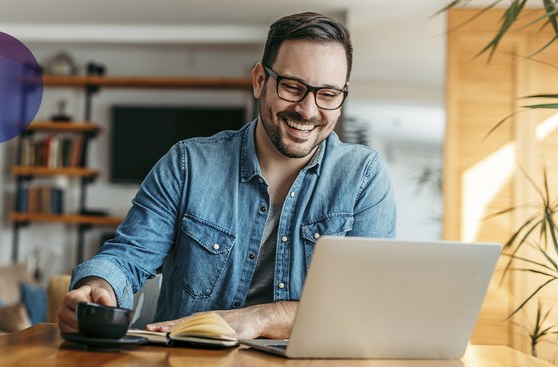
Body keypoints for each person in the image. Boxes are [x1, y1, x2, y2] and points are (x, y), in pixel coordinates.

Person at [59, 12, 396, 339]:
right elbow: (128, 257)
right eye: (292, 87)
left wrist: (260, 318)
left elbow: (365, 305)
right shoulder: (187, 163)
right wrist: (96, 288)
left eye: (327, 94)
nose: (308, 111)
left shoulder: (364, 177)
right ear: (260, 80)